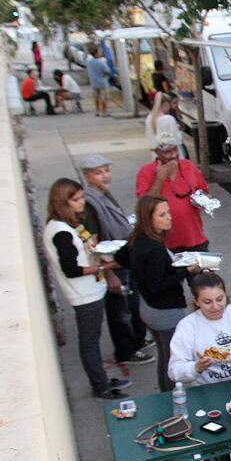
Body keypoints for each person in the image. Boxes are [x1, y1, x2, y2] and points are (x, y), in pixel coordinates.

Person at [42, 178, 131, 400]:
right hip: (84, 294)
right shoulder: (61, 232)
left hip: (92, 290)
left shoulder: (69, 224)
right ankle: (100, 386)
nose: (82, 202)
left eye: (82, 197)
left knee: (93, 338)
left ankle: (101, 378)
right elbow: (71, 269)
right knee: (90, 341)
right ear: (63, 202)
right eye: (76, 199)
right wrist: (105, 266)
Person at [115, 195, 199, 392]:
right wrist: (187, 271)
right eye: (162, 215)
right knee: (173, 361)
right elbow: (157, 284)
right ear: (148, 219)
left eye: (168, 212)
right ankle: (171, 398)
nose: (169, 217)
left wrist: (140, 273)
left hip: (149, 307)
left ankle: (165, 394)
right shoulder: (154, 248)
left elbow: (120, 257)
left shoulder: (137, 238)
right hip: (165, 312)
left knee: (164, 355)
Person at [79, 153, 154, 367]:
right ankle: (126, 351)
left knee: (130, 304)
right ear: (87, 177)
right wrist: (109, 273)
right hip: (113, 265)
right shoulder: (90, 203)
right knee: (119, 310)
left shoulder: (103, 195)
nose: (105, 176)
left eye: (106, 171)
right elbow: (93, 244)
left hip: (122, 259)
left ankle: (137, 340)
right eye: (98, 172)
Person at [168, 272, 231, 386]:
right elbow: (174, 370)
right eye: (207, 302)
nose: (215, 307)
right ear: (197, 302)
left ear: (226, 295)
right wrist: (197, 367)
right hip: (208, 389)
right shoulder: (187, 326)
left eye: (219, 299)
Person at [134, 136, 210, 252]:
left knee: (207, 270)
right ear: (156, 152)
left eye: (175, 149)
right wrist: (160, 178)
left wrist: (202, 200)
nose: (173, 155)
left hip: (196, 239)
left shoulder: (188, 166)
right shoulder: (145, 172)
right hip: (165, 244)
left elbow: (205, 191)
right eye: (167, 152)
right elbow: (144, 205)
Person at [86, 46, 111, 117]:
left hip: (94, 82)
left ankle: (97, 110)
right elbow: (107, 71)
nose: (100, 53)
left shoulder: (89, 62)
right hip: (102, 83)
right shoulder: (101, 62)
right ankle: (104, 111)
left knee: (96, 97)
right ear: (96, 53)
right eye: (99, 52)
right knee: (104, 97)